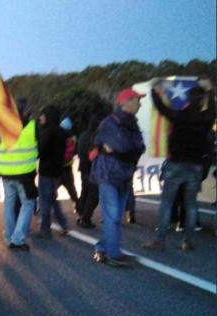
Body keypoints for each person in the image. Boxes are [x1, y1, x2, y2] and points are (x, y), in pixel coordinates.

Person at [143, 79, 215, 251]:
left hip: (176, 164)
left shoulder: (180, 115)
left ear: (188, 99)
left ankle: (160, 240)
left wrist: (154, 90)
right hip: (195, 165)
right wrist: (210, 91)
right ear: (203, 99)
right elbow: (213, 109)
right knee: (191, 205)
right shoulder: (206, 118)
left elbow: (161, 108)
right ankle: (188, 241)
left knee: (167, 203)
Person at [91, 88, 145, 266]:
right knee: (113, 215)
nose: (140, 103)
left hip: (124, 174)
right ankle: (114, 254)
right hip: (109, 173)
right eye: (137, 99)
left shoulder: (132, 123)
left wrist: (124, 149)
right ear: (125, 102)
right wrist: (126, 149)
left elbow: (140, 147)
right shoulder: (110, 122)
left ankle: (102, 248)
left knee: (115, 216)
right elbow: (124, 146)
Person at [0, 109, 38, 251]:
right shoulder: (31, 127)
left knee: (9, 204)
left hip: (6, 173)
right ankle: (18, 239)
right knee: (28, 204)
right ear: (26, 114)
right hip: (24, 174)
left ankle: (9, 238)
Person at [37, 105, 69, 238]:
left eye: (43, 115)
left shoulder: (47, 131)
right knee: (52, 199)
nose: (40, 117)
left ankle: (45, 229)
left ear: (48, 116)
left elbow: (41, 151)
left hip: (46, 171)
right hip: (57, 171)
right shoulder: (62, 132)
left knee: (44, 200)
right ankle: (63, 223)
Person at [76, 114, 103, 228]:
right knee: (94, 195)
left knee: (85, 192)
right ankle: (85, 218)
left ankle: (81, 214)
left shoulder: (83, 135)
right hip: (93, 168)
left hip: (83, 167)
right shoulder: (97, 137)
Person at [57, 117, 79, 212]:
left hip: (57, 167)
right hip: (67, 167)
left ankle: (41, 207)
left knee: (51, 190)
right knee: (72, 190)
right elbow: (74, 151)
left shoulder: (57, 135)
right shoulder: (73, 137)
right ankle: (78, 207)